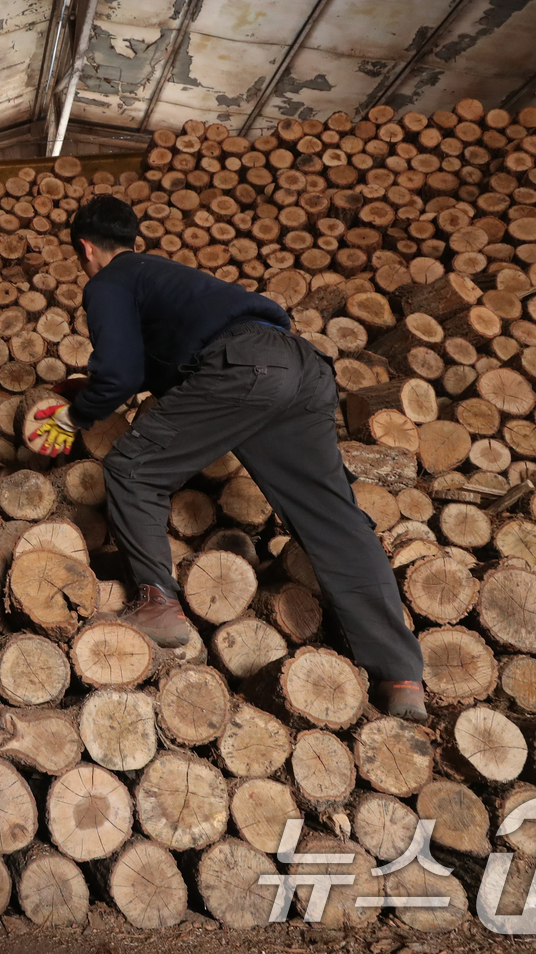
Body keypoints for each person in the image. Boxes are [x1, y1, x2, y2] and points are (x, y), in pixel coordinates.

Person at [27, 195, 427, 720]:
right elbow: (153, 369)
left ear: (84, 248)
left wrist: (71, 419)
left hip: (246, 368)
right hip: (302, 369)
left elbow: (122, 373)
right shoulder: (167, 278)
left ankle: (159, 604)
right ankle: (401, 676)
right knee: (332, 517)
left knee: (132, 467)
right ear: (132, 237)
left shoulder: (108, 281)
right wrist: (88, 388)